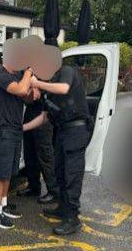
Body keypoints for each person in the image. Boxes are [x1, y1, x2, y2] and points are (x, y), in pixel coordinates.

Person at [23, 65, 91, 235]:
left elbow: (64, 88)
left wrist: (37, 83)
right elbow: (44, 117)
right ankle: (63, 207)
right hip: (62, 131)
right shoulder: (50, 86)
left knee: (72, 175)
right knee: (59, 171)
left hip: (76, 130)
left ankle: (73, 218)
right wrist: (23, 127)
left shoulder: (67, 71)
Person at [0, 65, 35, 229]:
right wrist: (28, 74)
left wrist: (32, 90)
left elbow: (27, 97)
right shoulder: (0, 77)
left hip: (16, 129)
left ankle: (4, 204)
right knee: (1, 173)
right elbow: (22, 90)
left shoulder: (17, 76)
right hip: (5, 130)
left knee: (9, 172)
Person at [17, 99, 58, 204]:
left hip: (43, 111)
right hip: (31, 109)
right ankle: (33, 186)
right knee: (29, 152)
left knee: (45, 153)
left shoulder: (44, 82)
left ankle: (54, 191)